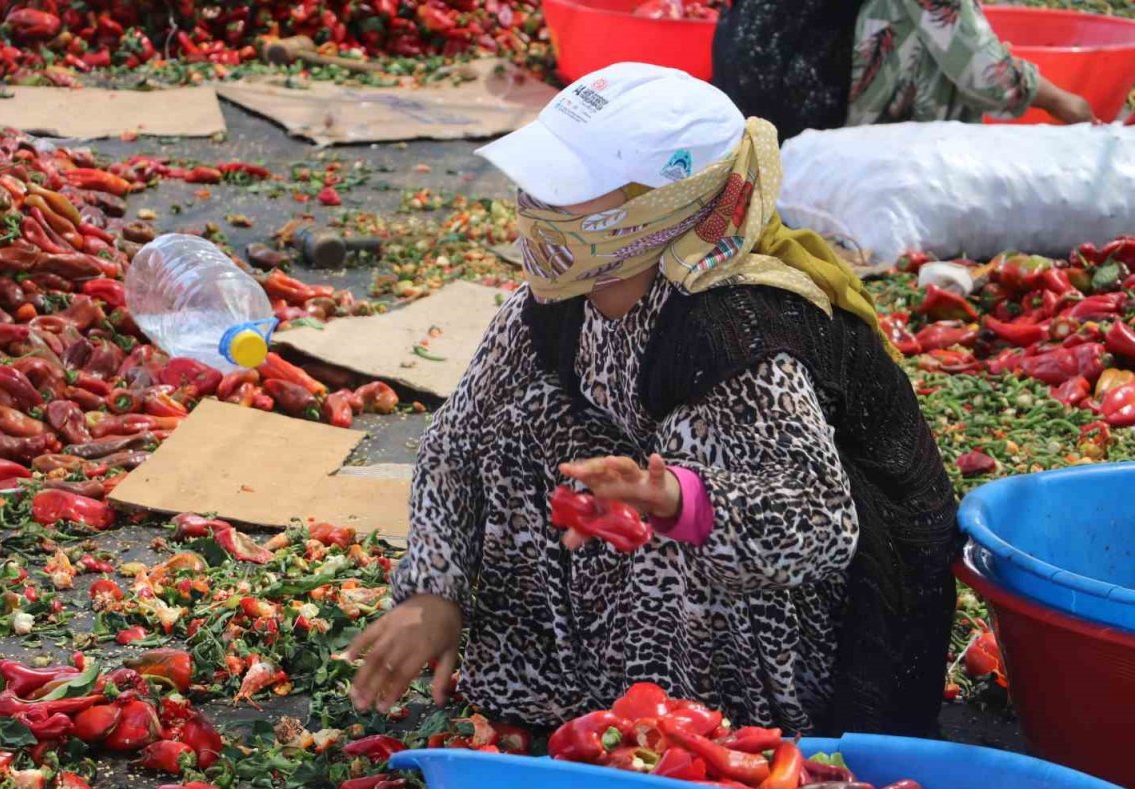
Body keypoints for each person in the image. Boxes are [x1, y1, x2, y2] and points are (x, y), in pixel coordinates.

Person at [347, 63, 959, 737]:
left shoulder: (735, 334)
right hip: (670, 526)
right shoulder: (556, 304)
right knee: (513, 425)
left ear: (659, 206)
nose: (532, 206)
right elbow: (454, 444)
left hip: (829, 630)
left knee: (682, 467)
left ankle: (692, 736)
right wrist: (435, 588)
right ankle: (545, 698)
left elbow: (819, 525)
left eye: (563, 191)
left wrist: (676, 501)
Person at [714, 0, 1095, 141]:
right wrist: (1063, 101)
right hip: (809, 112)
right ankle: (936, 170)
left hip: (745, 106)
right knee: (938, 34)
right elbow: (983, 75)